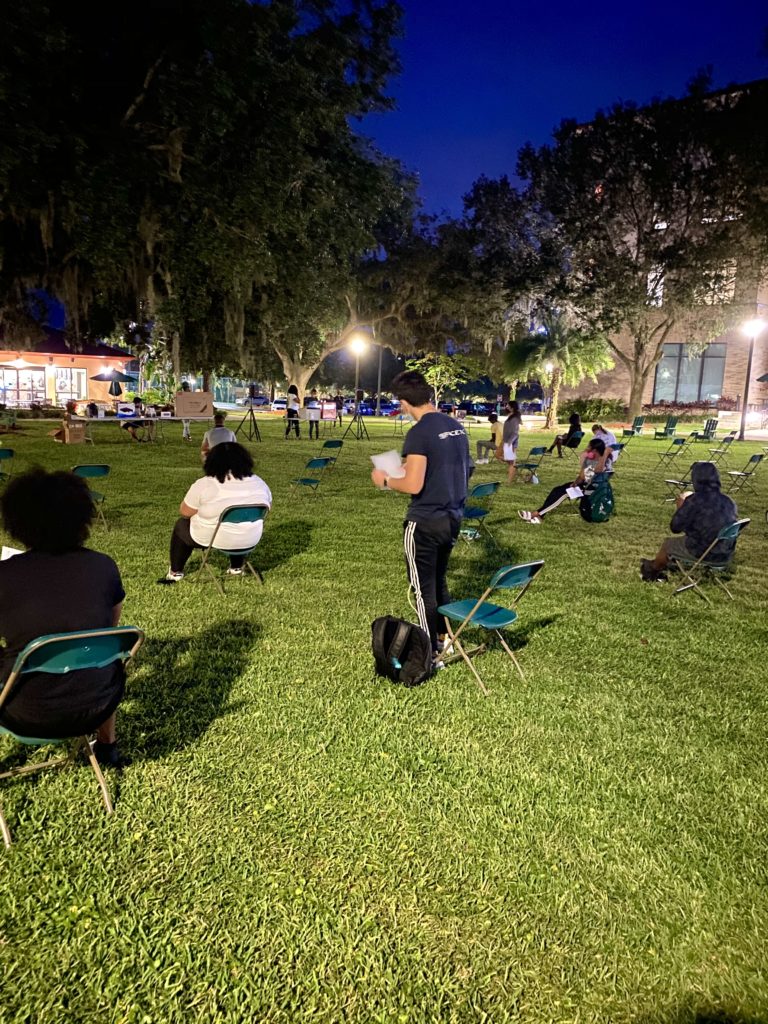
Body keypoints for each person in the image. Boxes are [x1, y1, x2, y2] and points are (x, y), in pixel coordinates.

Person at [0, 470, 127, 765]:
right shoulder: (103, 567)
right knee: (107, 657)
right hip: (98, 702)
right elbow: (110, 626)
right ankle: (108, 747)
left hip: (23, 712)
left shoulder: (5, 575)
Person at [370, 370, 471, 664]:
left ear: (403, 403)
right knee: (438, 581)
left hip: (424, 521)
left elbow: (413, 484)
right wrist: (405, 464)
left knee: (422, 588)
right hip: (452, 517)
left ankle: (428, 653)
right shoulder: (455, 426)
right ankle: (446, 639)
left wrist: (385, 481)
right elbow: (464, 468)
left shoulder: (419, 432)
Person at [161, 442, 271, 583]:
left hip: (214, 538)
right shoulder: (260, 483)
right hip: (250, 539)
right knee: (238, 522)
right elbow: (267, 508)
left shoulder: (205, 484)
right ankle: (236, 567)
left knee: (181, 525)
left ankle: (175, 572)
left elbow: (184, 512)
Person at [640, 462, 738, 582]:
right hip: (725, 555)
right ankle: (665, 565)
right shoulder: (729, 501)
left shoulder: (695, 500)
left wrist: (681, 507)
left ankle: (653, 570)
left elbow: (675, 528)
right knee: (685, 541)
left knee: (668, 544)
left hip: (701, 552)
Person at [519, 437, 610, 524]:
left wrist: (586, 461)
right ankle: (539, 514)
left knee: (563, 494)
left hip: (589, 490)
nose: (587, 448)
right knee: (556, 490)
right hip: (583, 485)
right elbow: (582, 477)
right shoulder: (595, 459)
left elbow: (584, 476)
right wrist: (574, 483)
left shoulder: (597, 461)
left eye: (589, 446)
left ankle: (537, 514)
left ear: (594, 450)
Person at [502, 401, 522, 483]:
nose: (506, 407)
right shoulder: (511, 417)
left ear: (512, 408)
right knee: (509, 461)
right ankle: (515, 474)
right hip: (507, 441)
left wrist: (509, 442)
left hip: (511, 443)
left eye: (508, 405)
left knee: (511, 462)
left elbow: (515, 432)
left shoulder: (514, 419)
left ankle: (510, 481)